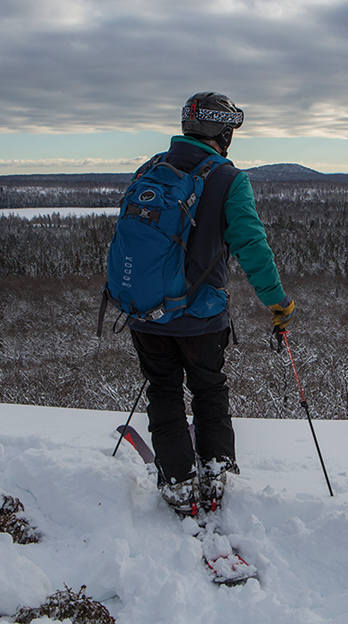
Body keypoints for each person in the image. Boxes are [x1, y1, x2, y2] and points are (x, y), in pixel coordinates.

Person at [129, 92, 294, 515]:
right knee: (208, 390)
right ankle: (214, 472)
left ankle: (178, 481)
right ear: (224, 132)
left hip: (145, 315)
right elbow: (252, 247)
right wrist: (278, 304)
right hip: (201, 318)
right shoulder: (228, 179)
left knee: (163, 392)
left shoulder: (150, 169)